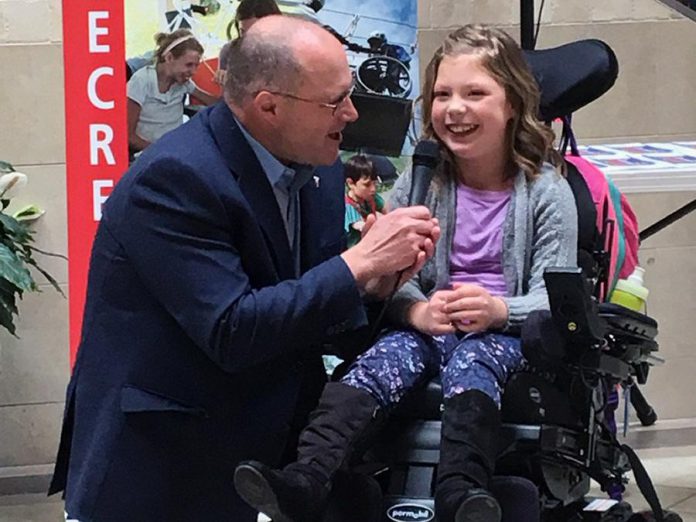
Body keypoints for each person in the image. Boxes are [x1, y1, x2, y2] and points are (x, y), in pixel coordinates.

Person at [49, 16, 440, 522]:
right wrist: (357, 264)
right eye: (334, 100)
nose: (351, 112)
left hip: (261, 464)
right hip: (162, 473)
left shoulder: (319, 165)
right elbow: (233, 331)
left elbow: (306, 317)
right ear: (269, 106)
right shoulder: (174, 179)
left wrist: (375, 287)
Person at [233, 24, 578, 522]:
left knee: (472, 364)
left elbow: (556, 296)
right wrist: (414, 308)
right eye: (442, 95)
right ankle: (307, 478)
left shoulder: (547, 192)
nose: (454, 109)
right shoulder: (424, 182)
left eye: (475, 94)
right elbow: (394, 274)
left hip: (504, 333)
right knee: (380, 361)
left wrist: (500, 309)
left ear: (512, 105)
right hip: (429, 323)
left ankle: (463, 492)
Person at [126, 29, 218, 153]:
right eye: (189, 65)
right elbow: (128, 135)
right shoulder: (142, 81)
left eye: (196, 66)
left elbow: (213, 102)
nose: (193, 72)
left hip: (176, 147)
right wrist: (160, 150)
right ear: (169, 58)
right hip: (148, 152)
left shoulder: (182, 82)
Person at [216, 0, 282, 85]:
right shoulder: (230, 51)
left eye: (255, 33)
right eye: (242, 32)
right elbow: (225, 96)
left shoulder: (288, 54)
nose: (248, 39)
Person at [344, 154, 387, 247]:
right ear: (351, 183)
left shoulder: (372, 197)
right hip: (356, 249)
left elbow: (388, 211)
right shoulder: (348, 206)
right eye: (367, 185)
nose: (373, 189)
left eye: (375, 184)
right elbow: (363, 228)